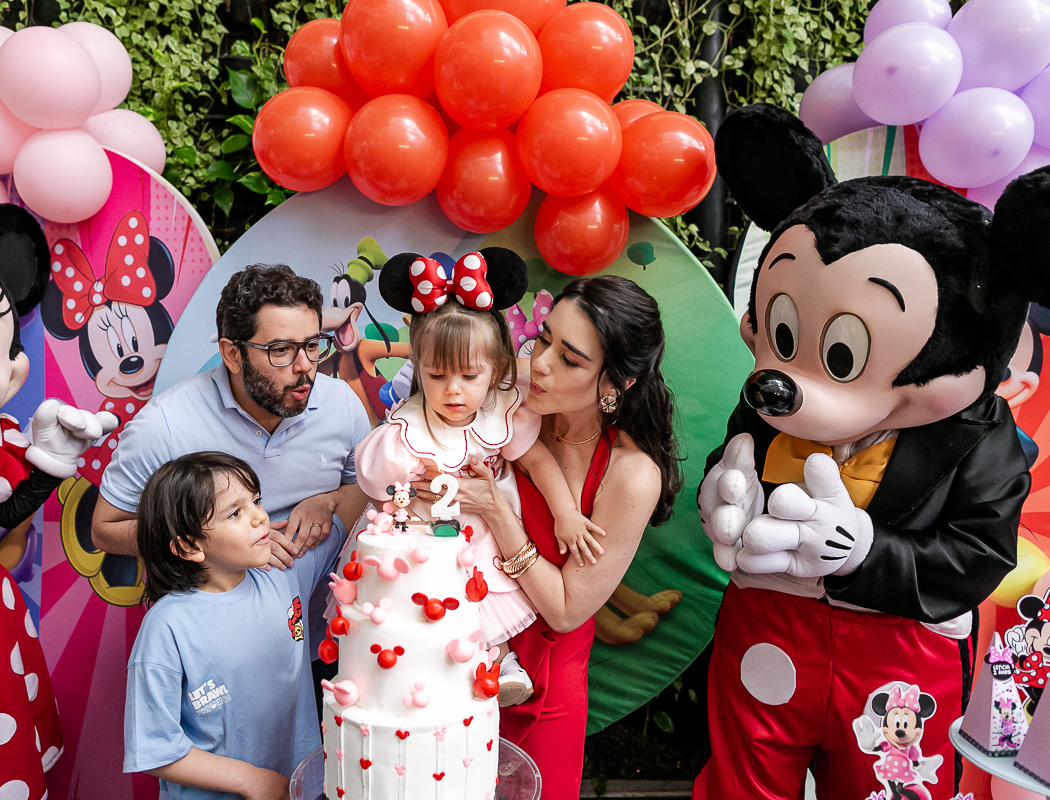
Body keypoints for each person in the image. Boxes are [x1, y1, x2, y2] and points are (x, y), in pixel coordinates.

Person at [413, 275, 682, 799]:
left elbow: (565, 609)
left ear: (616, 384)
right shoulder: (504, 391)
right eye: (543, 337)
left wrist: (495, 510)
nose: (538, 362)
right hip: (441, 651)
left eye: (570, 359)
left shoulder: (630, 474)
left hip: (539, 688)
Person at [358, 249, 606, 705]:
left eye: (470, 376)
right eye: (436, 375)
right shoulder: (409, 429)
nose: (453, 390)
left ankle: (499, 660)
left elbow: (537, 462)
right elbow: (379, 489)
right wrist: (412, 485)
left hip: (486, 528)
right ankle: (426, 668)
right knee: (425, 595)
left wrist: (566, 513)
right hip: (428, 532)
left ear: (495, 372)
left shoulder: (499, 411)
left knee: (483, 584)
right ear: (418, 367)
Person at [91, 264, 370, 663]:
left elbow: (366, 489)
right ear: (232, 354)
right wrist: (217, 543)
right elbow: (105, 530)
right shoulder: (165, 425)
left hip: (324, 643)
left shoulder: (341, 404)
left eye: (313, 344)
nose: (306, 365)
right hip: (213, 654)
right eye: (281, 350)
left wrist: (328, 501)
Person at [124, 451, 341, 800]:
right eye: (236, 513)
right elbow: (155, 749)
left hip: (303, 789)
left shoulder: (283, 572)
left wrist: (324, 501)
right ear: (189, 545)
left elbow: (363, 498)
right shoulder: (167, 628)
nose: (260, 518)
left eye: (256, 501)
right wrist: (252, 780)